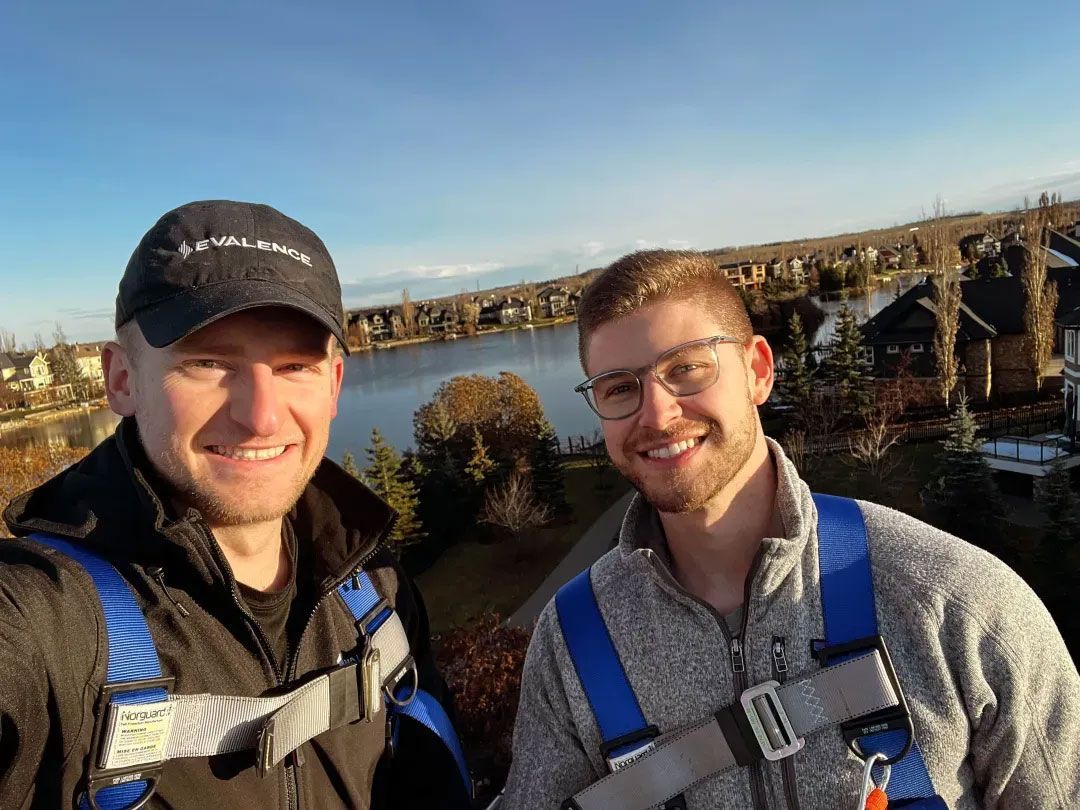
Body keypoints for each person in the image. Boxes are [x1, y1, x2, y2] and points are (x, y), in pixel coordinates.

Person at [502, 250, 1080, 809]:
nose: (656, 413)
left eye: (686, 368)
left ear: (757, 371)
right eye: (619, 387)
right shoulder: (572, 646)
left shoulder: (958, 606)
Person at [0, 201, 471, 809]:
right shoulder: (47, 623)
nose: (261, 416)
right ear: (122, 381)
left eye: (294, 365)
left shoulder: (377, 595)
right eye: (209, 362)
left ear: (333, 385)